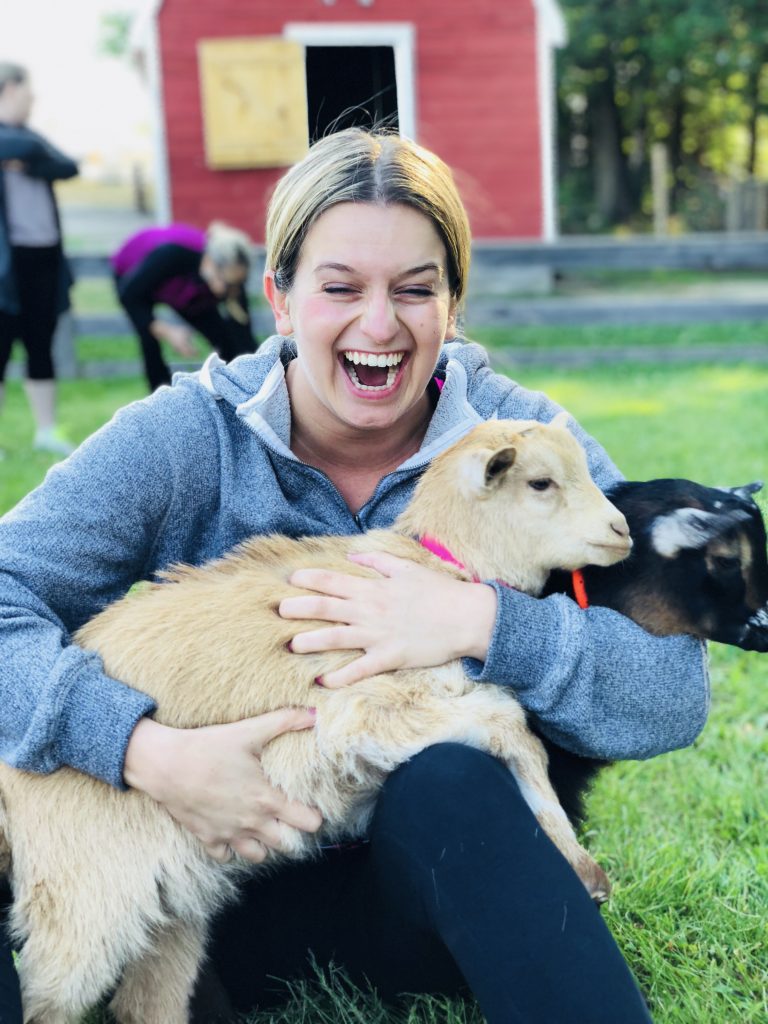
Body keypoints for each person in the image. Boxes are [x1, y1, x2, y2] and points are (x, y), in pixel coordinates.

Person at [0, 128, 710, 1023]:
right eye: (340, 287)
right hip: (200, 870)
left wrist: (482, 624)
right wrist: (149, 752)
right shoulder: (191, 438)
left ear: (453, 305)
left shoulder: (533, 447)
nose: (380, 325)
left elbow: (672, 695)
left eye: (416, 290)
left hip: (443, 882)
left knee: (456, 772)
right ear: (281, 299)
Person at [0, 61, 77, 457]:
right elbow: (27, 149)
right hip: (6, 266)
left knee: (41, 346)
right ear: (10, 88)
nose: (32, 100)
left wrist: (28, 162)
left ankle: (46, 431)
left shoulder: (31, 139)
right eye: (27, 92)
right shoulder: (23, 140)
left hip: (44, 259)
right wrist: (30, 156)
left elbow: (68, 165)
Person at [111, 220, 258, 391]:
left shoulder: (231, 278)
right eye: (223, 282)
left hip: (186, 286)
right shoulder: (173, 254)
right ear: (210, 262)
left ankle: (240, 390)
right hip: (134, 276)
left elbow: (243, 333)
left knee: (225, 337)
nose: (222, 290)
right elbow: (129, 296)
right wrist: (168, 331)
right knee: (148, 338)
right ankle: (160, 396)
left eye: (233, 285)